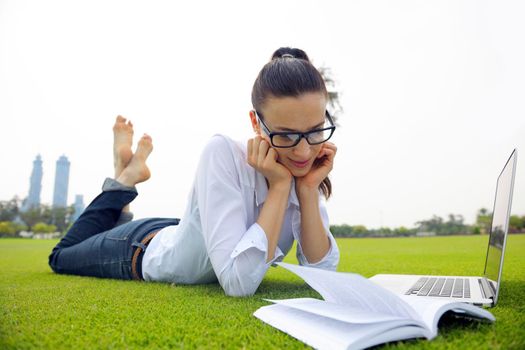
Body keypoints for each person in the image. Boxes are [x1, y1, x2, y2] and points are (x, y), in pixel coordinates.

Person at [49, 47, 340, 297]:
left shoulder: (305, 170)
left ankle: (125, 177)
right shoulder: (222, 152)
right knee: (61, 256)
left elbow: (323, 276)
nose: (303, 152)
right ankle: (124, 179)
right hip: (139, 250)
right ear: (255, 122)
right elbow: (238, 284)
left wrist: (306, 190)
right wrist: (279, 187)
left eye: (315, 132)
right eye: (286, 136)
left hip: (182, 230)